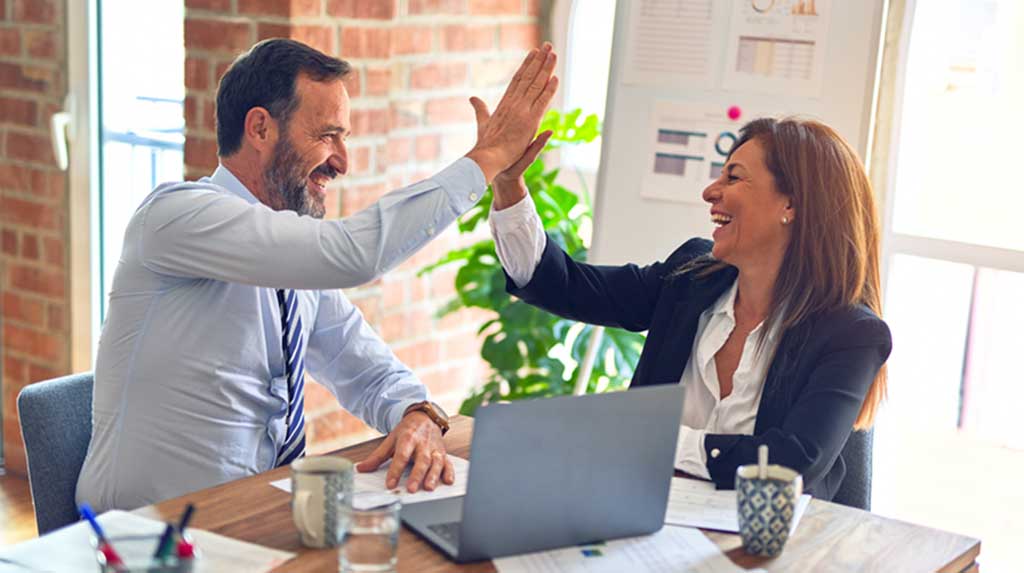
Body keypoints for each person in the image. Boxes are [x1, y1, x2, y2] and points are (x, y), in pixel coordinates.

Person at [76, 38, 559, 511]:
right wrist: (488, 158)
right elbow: (354, 254)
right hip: (145, 538)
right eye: (328, 135)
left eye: (343, 138)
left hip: (253, 520)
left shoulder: (291, 261)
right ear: (261, 129)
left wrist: (417, 413)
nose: (342, 162)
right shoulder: (177, 217)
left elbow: (364, 367)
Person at [488, 117, 891, 499]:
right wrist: (508, 185)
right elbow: (564, 285)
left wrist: (654, 438)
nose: (711, 191)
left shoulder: (851, 334)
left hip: (770, 550)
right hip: (646, 521)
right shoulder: (691, 278)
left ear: (791, 205)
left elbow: (792, 464)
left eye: (733, 177)